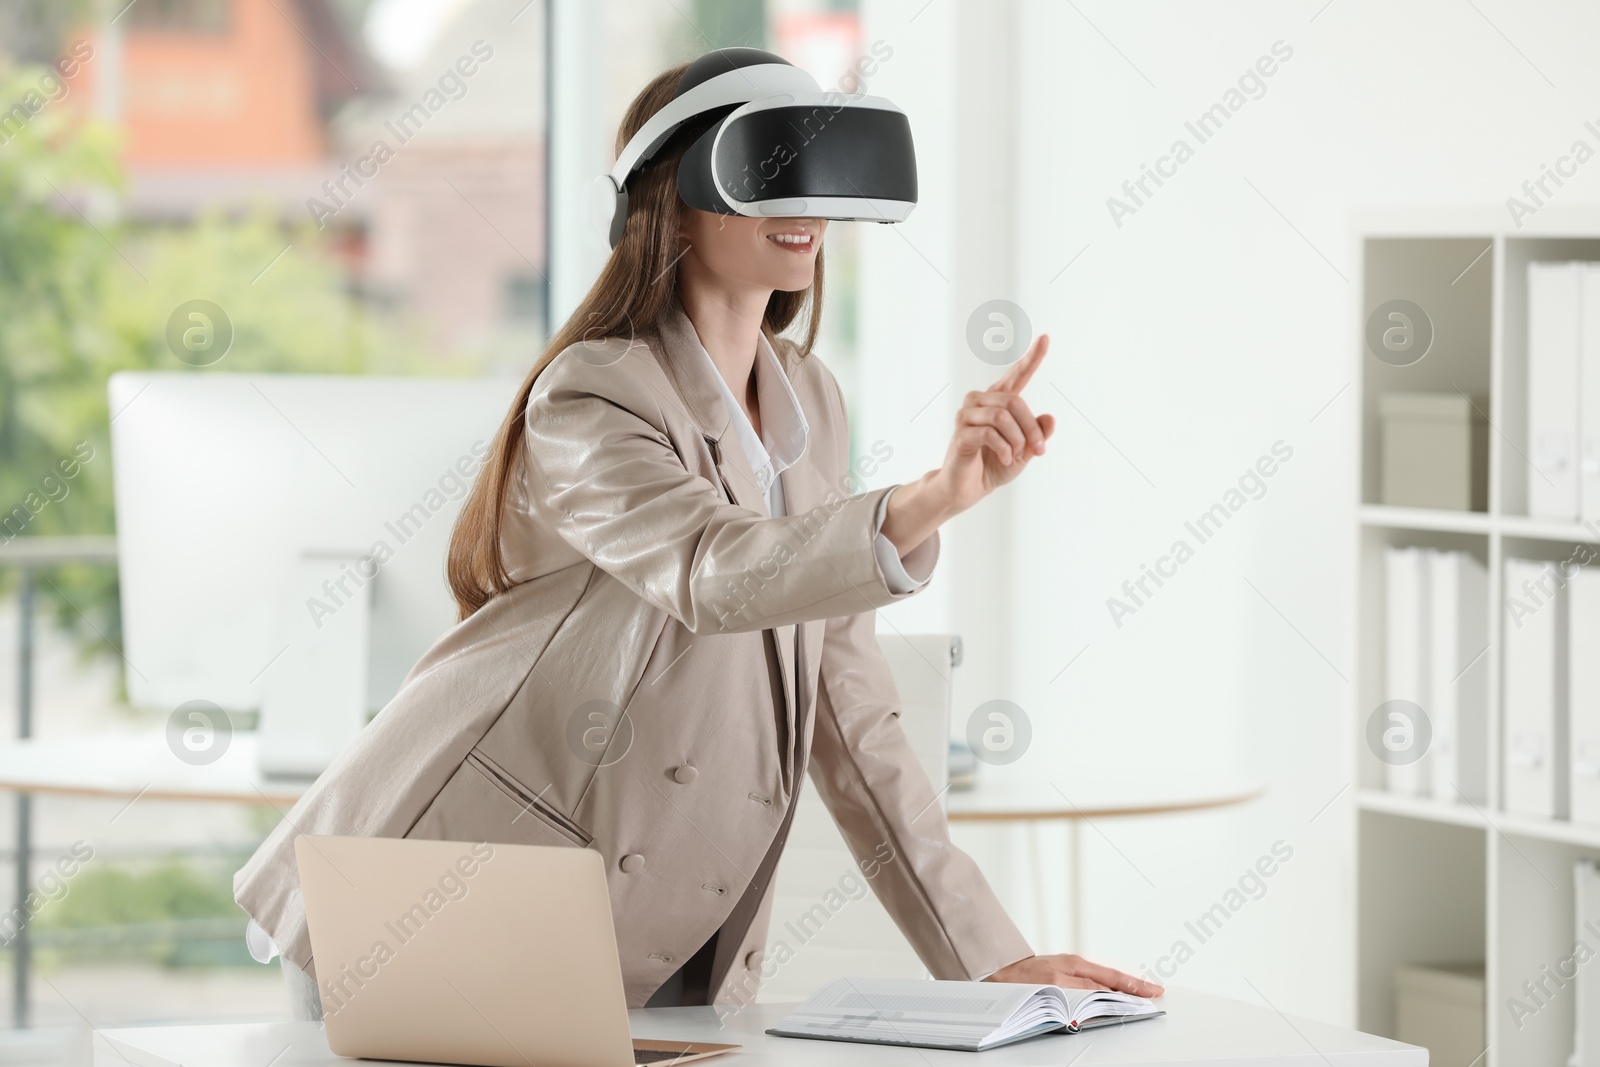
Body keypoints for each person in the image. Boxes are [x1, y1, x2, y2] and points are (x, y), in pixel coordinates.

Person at [234, 48, 1163, 1019]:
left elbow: (851, 714)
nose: (804, 202)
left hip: (667, 933)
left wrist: (987, 957)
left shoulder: (810, 400)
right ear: (671, 199)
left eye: (817, 170)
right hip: (450, 893)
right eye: (767, 170)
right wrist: (931, 498)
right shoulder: (592, 391)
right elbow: (713, 572)